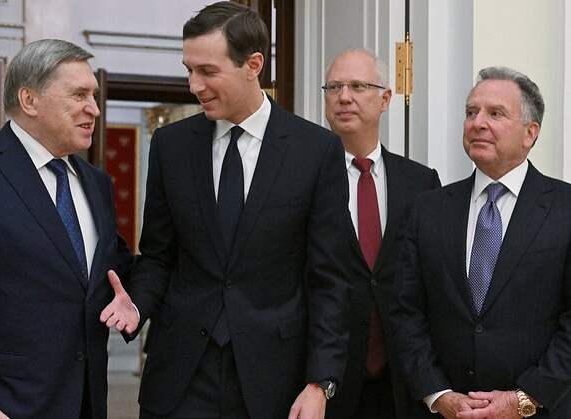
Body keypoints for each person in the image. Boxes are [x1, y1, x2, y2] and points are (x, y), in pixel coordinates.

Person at [103, 2, 352, 418]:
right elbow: (159, 256)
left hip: (274, 380)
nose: (194, 85)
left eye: (208, 71)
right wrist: (138, 304)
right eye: (189, 70)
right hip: (180, 377)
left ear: (253, 65)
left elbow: (330, 279)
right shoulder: (170, 146)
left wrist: (320, 382)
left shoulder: (316, 151)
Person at [0, 39, 133, 419]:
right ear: (29, 100)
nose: (94, 109)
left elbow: (114, 270)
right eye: (79, 95)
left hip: (86, 405)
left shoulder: (97, 184)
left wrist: (139, 298)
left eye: (94, 96)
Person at [391, 66, 571, 418]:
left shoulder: (564, 208)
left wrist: (525, 399)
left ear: (530, 133)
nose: (477, 123)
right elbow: (404, 311)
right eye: (471, 112)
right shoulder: (428, 209)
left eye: (495, 113)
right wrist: (437, 394)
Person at [322, 49, 440, 419]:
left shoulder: (421, 183)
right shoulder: (304, 178)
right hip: (327, 382)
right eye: (334, 87)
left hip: (402, 383)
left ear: (386, 99)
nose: (344, 97)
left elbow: (430, 283)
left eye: (358, 86)